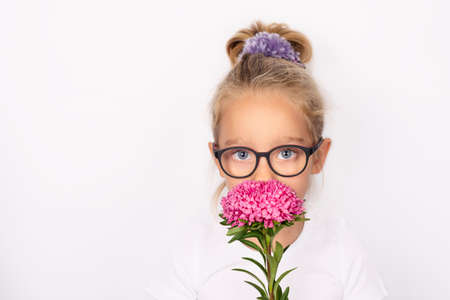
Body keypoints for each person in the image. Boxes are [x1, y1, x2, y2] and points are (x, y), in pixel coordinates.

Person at [145, 20, 389, 300]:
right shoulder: (193, 254)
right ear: (217, 159)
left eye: (286, 153)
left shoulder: (342, 252)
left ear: (318, 157)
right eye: (242, 154)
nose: (263, 177)